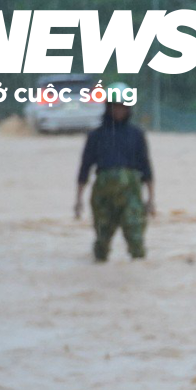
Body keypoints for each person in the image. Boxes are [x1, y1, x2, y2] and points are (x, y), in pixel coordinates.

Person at [73, 84, 154, 262]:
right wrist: (78, 200)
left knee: (136, 239)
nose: (119, 110)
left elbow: (146, 168)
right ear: (107, 107)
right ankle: (99, 272)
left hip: (131, 194)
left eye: (123, 106)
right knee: (102, 242)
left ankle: (138, 274)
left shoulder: (136, 135)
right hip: (103, 194)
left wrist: (151, 199)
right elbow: (84, 169)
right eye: (115, 106)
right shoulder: (96, 136)